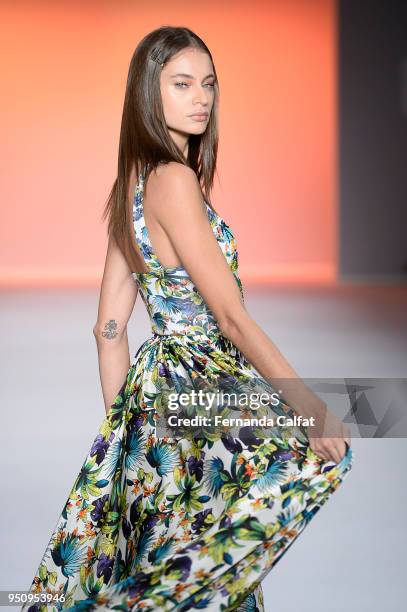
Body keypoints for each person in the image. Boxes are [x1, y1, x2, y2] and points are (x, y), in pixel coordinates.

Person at [22, 26, 354, 612]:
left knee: (176, 538)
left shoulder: (132, 185)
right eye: (181, 84)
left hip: (155, 394)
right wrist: (306, 401)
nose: (201, 98)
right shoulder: (173, 182)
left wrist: (130, 431)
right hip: (201, 381)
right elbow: (229, 315)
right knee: (309, 466)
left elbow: (108, 328)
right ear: (148, 95)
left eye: (208, 84)